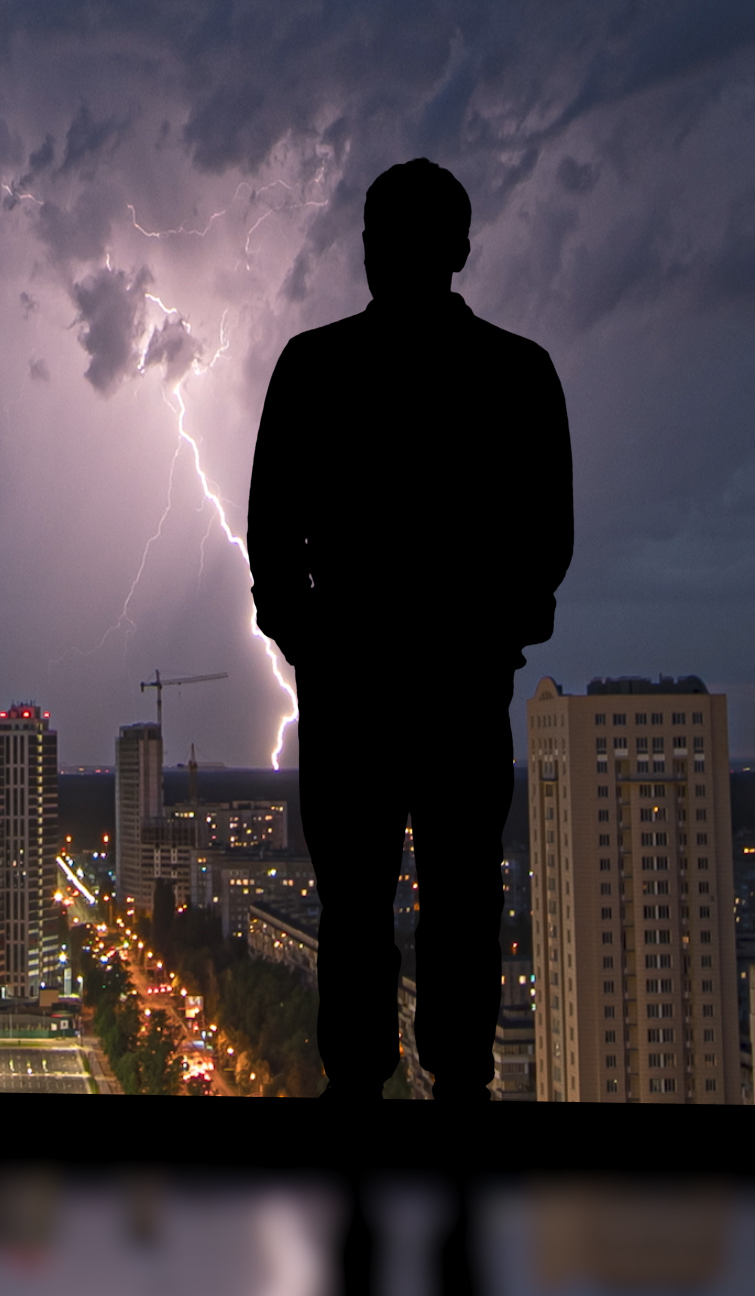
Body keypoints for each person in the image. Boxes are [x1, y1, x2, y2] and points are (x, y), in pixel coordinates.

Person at [247, 157, 572, 1102]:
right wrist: (487, 635)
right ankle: (454, 1087)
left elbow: (272, 535)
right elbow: (546, 543)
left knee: (361, 905)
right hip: (457, 687)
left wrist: (315, 638)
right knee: (458, 901)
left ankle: (363, 1089)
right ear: (462, 249)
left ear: (368, 250)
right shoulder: (518, 374)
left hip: (363, 690)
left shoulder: (316, 368)